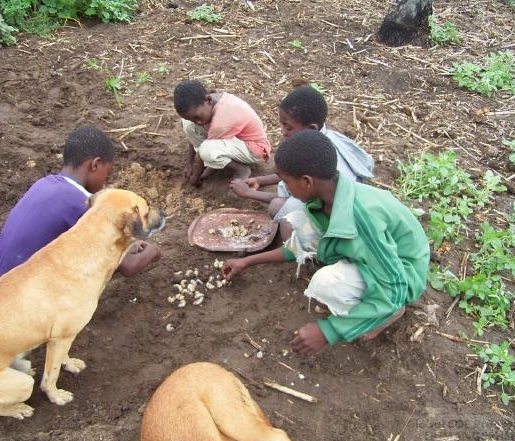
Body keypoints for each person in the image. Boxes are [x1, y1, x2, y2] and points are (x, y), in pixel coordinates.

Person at [222, 130, 430, 355]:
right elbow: (301, 244)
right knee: (298, 219)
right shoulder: (324, 200)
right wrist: (248, 262)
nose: (284, 187)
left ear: (307, 182)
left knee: (326, 284)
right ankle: (368, 301)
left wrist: (329, 330)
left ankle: (390, 312)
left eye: (286, 181)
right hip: (378, 258)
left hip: (402, 276)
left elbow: (395, 286)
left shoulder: (361, 220)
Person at [0, 126, 161, 280]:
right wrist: (153, 252)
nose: (105, 182)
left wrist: (125, 245)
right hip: (22, 294)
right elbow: (128, 267)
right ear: (95, 165)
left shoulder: (44, 184)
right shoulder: (83, 204)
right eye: (107, 174)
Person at [230, 85, 375, 239]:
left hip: (340, 223)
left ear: (312, 128)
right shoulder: (317, 140)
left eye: (288, 126)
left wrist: (249, 193)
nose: (282, 131)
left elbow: (299, 200)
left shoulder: (320, 163)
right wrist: (260, 180)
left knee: (277, 207)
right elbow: (291, 171)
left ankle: (311, 253)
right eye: (282, 124)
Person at [173, 79, 271, 187]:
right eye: (193, 119)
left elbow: (204, 149)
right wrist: (190, 163)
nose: (198, 122)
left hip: (253, 149)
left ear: (208, 100)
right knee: (187, 124)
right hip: (233, 139)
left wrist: (196, 177)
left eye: (197, 117)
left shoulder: (221, 122)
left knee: (207, 151)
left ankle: (242, 169)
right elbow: (193, 131)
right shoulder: (208, 104)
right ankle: (212, 162)